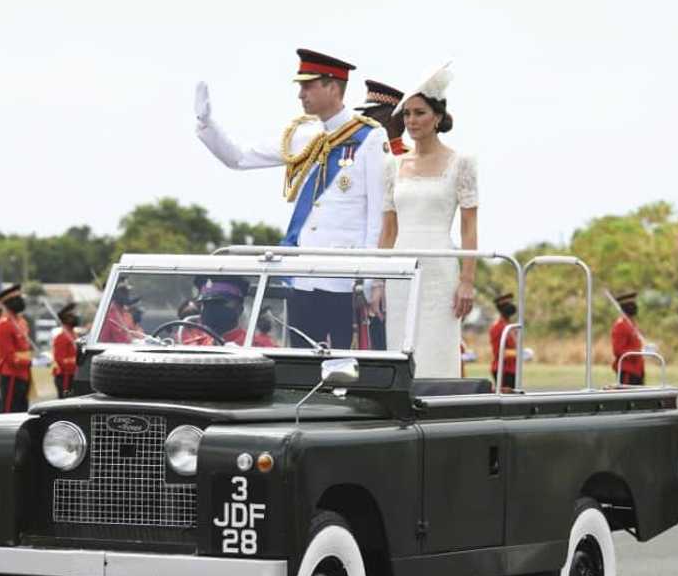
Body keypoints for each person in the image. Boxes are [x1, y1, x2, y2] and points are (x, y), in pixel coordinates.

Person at [195, 48, 386, 348]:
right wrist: (207, 125)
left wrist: (373, 277)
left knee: (344, 368)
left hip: (343, 278)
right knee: (298, 365)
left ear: (333, 87)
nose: (301, 94)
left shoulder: (370, 138)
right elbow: (239, 158)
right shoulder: (303, 134)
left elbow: (378, 216)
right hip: (301, 272)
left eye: (308, 86)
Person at [376, 63, 478, 378]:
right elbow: (388, 229)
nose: (411, 121)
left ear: (436, 117)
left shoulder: (461, 163)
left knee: (437, 348)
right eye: (406, 114)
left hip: (440, 268)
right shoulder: (392, 166)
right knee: (400, 346)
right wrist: (378, 280)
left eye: (419, 113)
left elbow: (469, 227)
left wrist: (467, 280)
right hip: (400, 270)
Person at [184, 279, 277, 347]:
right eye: (206, 304)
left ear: (239, 309)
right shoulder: (195, 346)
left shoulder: (257, 346)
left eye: (219, 304)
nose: (212, 310)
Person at [0, 284, 41, 412]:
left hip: (24, 374)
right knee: (9, 413)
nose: (21, 301)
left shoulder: (21, 321)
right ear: (8, 303)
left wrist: (38, 358)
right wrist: (32, 362)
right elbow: (9, 358)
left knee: (22, 412)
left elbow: (25, 348)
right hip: (11, 375)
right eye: (17, 298)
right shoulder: (3, 325)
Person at [611, 291, 645, 385]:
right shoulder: (620, 325)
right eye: (632, 304)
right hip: (628, 370)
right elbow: (618, 350)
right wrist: (638, 352)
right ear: (626, 307)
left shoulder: (631, 323)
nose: (635, 306)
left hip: (637, 369)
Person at [489, 292, 519, 391]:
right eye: (507, 305)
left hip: (511, 368)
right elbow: (499, 352)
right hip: (503, 369)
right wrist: (518, 353)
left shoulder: (510, 325)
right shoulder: (497, 327)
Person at [52, 302, 79, 398]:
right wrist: (77, 363)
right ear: (65, 318)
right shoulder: (61, 337)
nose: (75, 317)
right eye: (72, 315)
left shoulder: (74, 334)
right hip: (65, 376)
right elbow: (60, 361)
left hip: (73, 375)